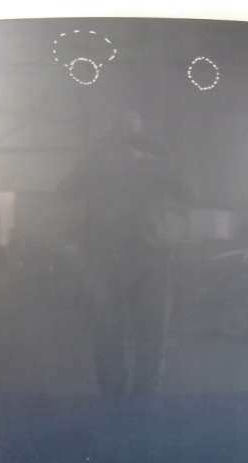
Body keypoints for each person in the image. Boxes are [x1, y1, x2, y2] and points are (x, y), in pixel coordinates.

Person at [60, 110, 184, 396]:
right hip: (146, 257)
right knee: (149, 336)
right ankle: (144, 398)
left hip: (111, 257)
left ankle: (115, 398)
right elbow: (186, 192)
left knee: (108, 334)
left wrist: (96, 159)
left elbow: (64, 191)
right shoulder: (154, 165)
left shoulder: (97, 164)